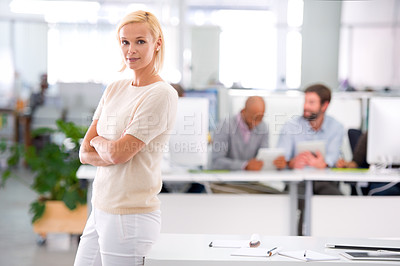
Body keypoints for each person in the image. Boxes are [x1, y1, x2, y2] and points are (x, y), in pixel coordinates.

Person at [74, 10, 178, 266]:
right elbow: (84, 152)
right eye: (125, 41)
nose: (131, 49)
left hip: (130, 218)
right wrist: (106, 147)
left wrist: (102, 144)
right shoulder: (115, 88)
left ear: (157, 43)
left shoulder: (161, 94)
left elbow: (120, 153)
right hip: (99, 209)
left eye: (140, 41)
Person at [210, 96, 284, 193]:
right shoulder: (225, 125)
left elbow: (262, 159)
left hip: (250, 183)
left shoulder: (263, 127)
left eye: (260, 118)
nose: (256, 123)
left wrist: (275, 163)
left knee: (278, 195)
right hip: (224, 183)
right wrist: (244, 166)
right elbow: (216, 161)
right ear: (243, 111)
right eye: (253, 117)